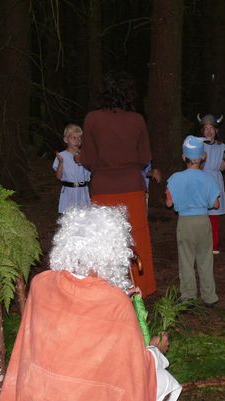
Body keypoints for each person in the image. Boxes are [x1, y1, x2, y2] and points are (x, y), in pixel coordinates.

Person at [0, 206, 182, 401]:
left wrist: (117, 297)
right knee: (165, 381)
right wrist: (156, 351)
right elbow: (133, 367)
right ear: (112, 253)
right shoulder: (114, 302)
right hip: (85, 392)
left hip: (38, 388)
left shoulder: (41, 283)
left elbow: (77, 311)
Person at [79, 71, 156, 297]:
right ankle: (141, 288)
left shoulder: (92, 119)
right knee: (137, 237)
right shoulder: (137, 120)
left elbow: (88, 159)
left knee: (104, 240)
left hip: (103, 187)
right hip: (132, 185)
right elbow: (145, 157)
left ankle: (106, 290)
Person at [166, 135, 221, 307]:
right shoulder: (208, 178)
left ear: (184, 157)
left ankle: (188, 296)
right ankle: (209, 297)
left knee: (186, 260)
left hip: (185, 222)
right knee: (205, 259)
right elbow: (216, 204)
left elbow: (169, 203)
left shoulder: (175, 178)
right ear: (203, 157)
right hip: (203, 221)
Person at [197, 114, 225, 255]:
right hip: (202, 180)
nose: (209, 131)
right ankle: (201, 245)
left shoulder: (222, 147)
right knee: (201, 215)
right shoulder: (198, 145)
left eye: (211, 128)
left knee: (214, 216)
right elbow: (197, 166)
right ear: (202, 131)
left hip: (215, 180)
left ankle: (214, 245)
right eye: (206, 128)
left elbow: (221, 167)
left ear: (216, 130)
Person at [52, 124, 91, 214]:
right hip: (69, 192)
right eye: (74, 138)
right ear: (66, 140)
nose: (77, 141)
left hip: (83, 192)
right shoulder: (62, 156)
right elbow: (58, 177)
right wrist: (61, 162)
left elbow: (92, 170)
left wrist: (84, 161)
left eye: (80, 138)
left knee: (84, 216)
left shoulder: (85, 155)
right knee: (69, 216)